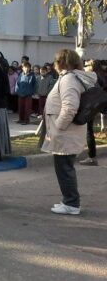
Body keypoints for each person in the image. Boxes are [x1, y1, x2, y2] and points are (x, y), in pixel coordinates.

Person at [42, 49, 97, 215]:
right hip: (69, 132)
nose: (54, 65)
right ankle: (69, 201)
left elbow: (70, 107)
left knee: (64, 169)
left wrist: (58, 127)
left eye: (56, 61)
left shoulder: (69, 79)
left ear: (62, 63)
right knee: (65, 168)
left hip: (65, 133)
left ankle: (71, 203)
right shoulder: (74, 78)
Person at [79, 59, 105, 166]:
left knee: (88, 131)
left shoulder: (92, 77)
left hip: (90, 106)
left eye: (86, 65)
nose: (84, 66)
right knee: (87, 130)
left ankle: (92, 157)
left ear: (92, 66)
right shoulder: (100, 76)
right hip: (95, 106)